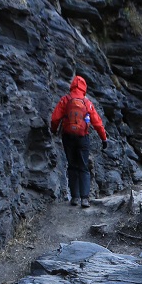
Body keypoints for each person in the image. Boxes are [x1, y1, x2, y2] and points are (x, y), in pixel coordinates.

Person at [50, 75, 107, 207]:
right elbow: (97, 123)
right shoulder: (87, 102)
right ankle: (85, 199)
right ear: (84, 87)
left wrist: (54, 130)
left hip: (68, 136)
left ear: (72, 86)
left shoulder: (65, 99)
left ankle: (75, 197)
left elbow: (54, 119)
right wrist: (104, 138)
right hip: (83, 138)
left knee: (72, 165)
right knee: (83, 167)